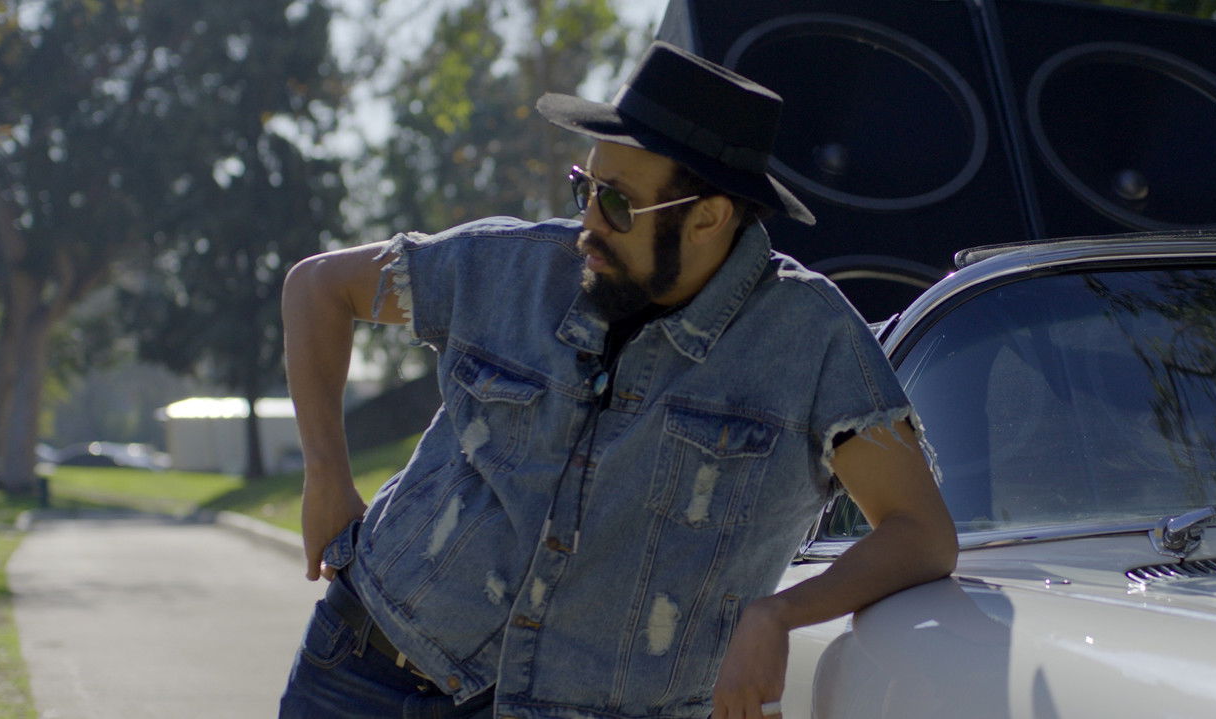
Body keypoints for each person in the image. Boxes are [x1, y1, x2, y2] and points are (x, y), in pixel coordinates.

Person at [279, 41, 956, 719]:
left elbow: (920, 532)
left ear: (708, 217)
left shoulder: (813, 340)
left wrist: (778, 614)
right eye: (586, 187)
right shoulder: (509, 265)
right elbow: (317, 286)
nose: (589, 223)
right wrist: (326, 476)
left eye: (618, 203)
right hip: (363, 673)